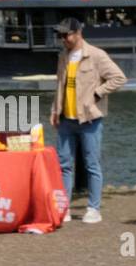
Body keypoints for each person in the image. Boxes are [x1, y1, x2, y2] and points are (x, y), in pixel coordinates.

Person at [49, 16, 126, 224]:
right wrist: (55, 110)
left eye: (66, 35)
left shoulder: (97, 56)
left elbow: (119, 78)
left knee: (92, 165)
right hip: (66, 119)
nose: (62, 39)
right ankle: (64, 208)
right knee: (63, 165)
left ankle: (94, 208)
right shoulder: (63, 56)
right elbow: (59, 85)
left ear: (78, 33)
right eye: (60, 35)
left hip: (90, 119)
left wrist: (97, 94)